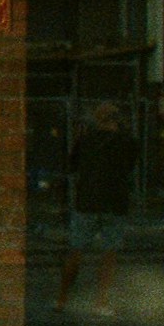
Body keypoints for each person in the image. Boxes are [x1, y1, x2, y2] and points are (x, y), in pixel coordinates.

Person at [62, 99, 138, 311]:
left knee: (76, 250)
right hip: (114, 203)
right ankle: (101, 302)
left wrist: (78, 140)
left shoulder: (85, 140)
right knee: (108, 254)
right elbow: (130, 166)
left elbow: (72, 165)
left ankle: (62, 300)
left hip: (86, 202)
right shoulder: (128, 141)